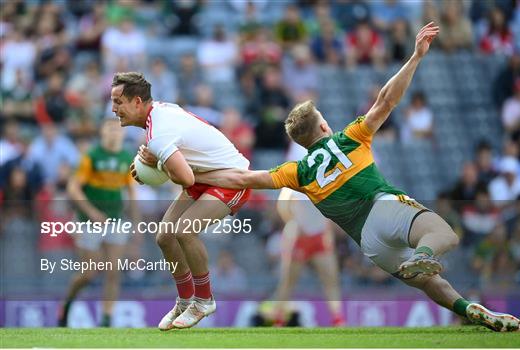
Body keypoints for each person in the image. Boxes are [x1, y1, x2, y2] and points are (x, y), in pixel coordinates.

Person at [193, 22, 520, 332]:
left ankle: (467, 309)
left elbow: (242, 179)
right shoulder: (349, 138)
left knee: (428, 283)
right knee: (444, 235)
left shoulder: (297, 172)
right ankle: (424, 254)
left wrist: (193, 170)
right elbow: (386, 100)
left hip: (369, 243)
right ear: (323, 126)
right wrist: (415, 57)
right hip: (383, 208)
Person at [110, 72, 251, 330]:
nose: (113, 109)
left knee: (185, 230)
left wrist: (158, 162)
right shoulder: (159, 113)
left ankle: (203, 300)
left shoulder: (157, 133)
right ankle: (185, 301)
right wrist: (155, 163)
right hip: (206, 177)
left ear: (138, 101)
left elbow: (185, 177)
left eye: (118, 102)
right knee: (165, 236)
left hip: (232, 178)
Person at [58, 119, 139, 327]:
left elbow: (131, 192)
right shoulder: (91, 157)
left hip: (116, 219)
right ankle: (67, 304)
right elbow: (73, 188)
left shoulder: (126, 158)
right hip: (88, 221)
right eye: (109, 128)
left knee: (114, 269)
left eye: (117, 129)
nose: (114, 132)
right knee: (88, 273)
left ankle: (106, 318)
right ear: (102, 133)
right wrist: (92, 212)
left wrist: (137, 223)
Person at [271, 142, 344, 327]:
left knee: (330, 279)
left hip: (317, 234)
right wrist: (294, 224)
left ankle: (338, 318)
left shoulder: (323, 180)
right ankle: (278, 317)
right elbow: (283, 206)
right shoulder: (295, 179)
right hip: (301, 235)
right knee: (288, 281)